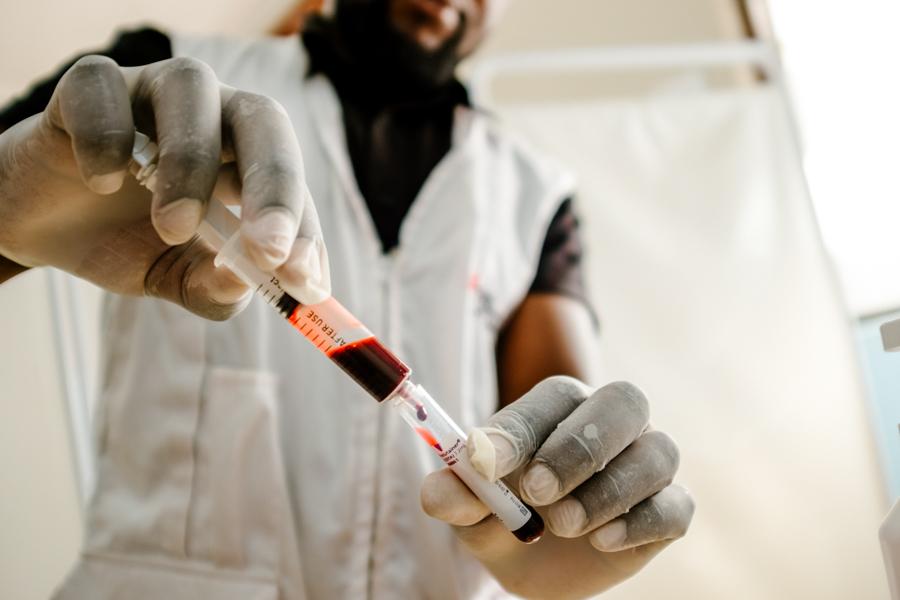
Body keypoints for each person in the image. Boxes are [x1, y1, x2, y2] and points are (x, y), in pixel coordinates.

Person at [0, 1, 694, 598]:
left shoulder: (533, 195)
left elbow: (553, 463)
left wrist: (577, 515)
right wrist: (13, 198)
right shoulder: (165, 82)